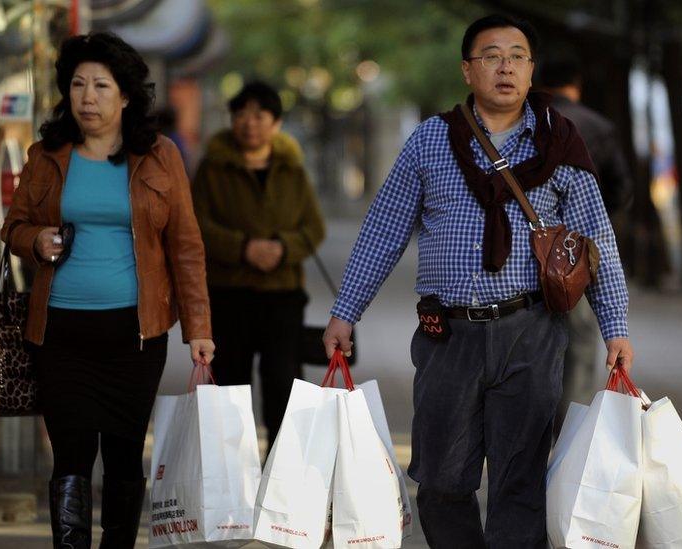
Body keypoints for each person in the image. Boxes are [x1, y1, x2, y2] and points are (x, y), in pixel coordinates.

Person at [322, 14, 633, 547]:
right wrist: (345, 312)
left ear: (532, 72)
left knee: (521, 480)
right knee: (442, 479)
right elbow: (383, 231)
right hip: (448, 336)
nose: (505, 67)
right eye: (491, 56)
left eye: (517, 56)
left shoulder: (560, 142)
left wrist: (616, 328)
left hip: (532, 329)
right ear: (468, 70)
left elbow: (596, 240)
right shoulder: (431, 140)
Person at [0, 32, 214, 549]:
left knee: (123, 453)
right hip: (60, 334)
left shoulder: (160, 156)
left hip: (134, 337)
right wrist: (36, 241)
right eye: (76, 85)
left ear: (125, 96)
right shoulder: (47, 155)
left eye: (100, 85)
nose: (86, 97)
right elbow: (14, 226)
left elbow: (185, 246)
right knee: (71, 455)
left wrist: (199, 329)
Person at [192, 81, 326, 448]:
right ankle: (233, 471)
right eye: (241, 114)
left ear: (276, 123)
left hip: (282, 295)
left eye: (259, 115)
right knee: (230, 385)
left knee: (283, 383)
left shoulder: (291, 169)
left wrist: (282, 249)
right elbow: (197, 224)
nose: (249, 123)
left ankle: (280, 469)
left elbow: (313, 228)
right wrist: (243, 249)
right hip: (228, 293)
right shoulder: (213, 168)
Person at [538, 55, 634, 435]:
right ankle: (569, 430)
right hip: (577, 256)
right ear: (576, 85)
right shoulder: (597, 125)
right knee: (578, 343)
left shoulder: (528, 124)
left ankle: (536, 427)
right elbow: (622, 187)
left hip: (533, 254)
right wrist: (594, 220)